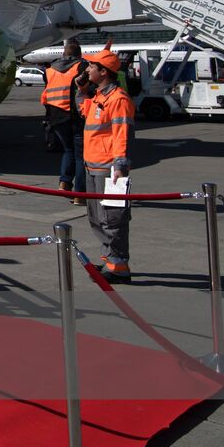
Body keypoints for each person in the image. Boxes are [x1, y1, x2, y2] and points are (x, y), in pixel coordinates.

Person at [79, 46, 136, 282]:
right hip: (92, 166)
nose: (88, 69)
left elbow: (122, 133)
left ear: (103, 72)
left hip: (110, 169)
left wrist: (120, 164)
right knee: (95, 217)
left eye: (92, 67)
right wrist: (81, 90)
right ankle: (109, 259)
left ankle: (119, 265)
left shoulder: (118, 99)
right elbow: (83, 111)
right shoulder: (98, 97)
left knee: (113, 217)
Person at [40, 40, 88, 205]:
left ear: (63, 53)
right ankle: (80, 194)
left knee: (68, 150)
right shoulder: (81, 66)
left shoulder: (50, 70)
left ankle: (64, 183)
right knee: (81, 155)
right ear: (79, 54)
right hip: (74, 115)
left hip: (55, 116)